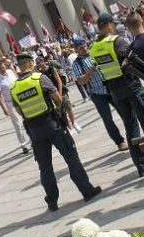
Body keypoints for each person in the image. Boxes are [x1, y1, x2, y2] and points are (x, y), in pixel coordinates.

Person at [10, 52, 102, 211]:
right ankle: (86, 190)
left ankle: (52, 201)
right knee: (71, 157)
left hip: (34, 130)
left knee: (45, 167)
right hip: (52, 124)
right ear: (31, 63)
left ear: (19, 65)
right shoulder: (40, 79)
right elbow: (58, 100)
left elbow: (19, 111)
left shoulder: (14, 87)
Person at [89, 13, 144, 177]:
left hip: (114, 89)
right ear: (108, 25)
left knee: (130, 126)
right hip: (130, 85)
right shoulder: (116, 41)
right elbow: (133, 59)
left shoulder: (94, 47)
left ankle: (141, 166)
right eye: (112, 23)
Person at [71, 38, 127, 151]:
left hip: (110, 88)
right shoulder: (77, 63)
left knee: (124, 112)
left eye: (84, 45)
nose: (84, 48)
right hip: (97, 94)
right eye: (81, 48)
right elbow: (81, 81)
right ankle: (120, 142)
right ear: (76, 50)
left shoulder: (94, 53)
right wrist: (91, 70)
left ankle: (132, 135)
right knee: (107, 119)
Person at [0, 58, 31, 154]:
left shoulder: (10, 72)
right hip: (10, 103)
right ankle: (23, 145)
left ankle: (33, 139)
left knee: (28, 119)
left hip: (20, 99)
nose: (3, 69)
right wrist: (4, 108)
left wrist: (12, 67)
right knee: (17, 124)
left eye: (3, 67)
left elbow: (18, 79)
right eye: (0, 68)